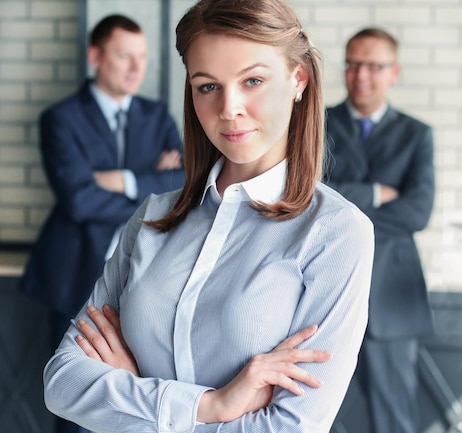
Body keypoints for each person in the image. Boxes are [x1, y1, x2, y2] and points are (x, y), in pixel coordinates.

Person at [42, 0, 375, 432]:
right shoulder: (152, 219)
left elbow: (291, 427)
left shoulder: (336, 232)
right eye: (207, 86)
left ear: (299, 79)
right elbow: (63, 383)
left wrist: (132, 391)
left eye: (252, 80)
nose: (229, 108)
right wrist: (211, 406)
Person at [20, 14, 185, 433]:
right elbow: (77, 200)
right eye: (124, 56)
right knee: (75, 404)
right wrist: (149, 183)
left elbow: (183, 182)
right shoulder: (61, 118)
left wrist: (121, 180)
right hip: (75, 276)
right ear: (96, 56)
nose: (136, 68)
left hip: (144, 281)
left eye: (142, 57)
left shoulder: (157, 115)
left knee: (134, 400)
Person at [324, 28, 435, 433]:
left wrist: (343, 210)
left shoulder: (416, 134)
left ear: (394, 72)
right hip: (325, 290)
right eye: (353, 64)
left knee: (395, 418)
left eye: (373, 65)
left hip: (393, 294)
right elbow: (306, 194)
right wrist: (376, 192)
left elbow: (417, 212)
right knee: (320, 417)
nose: (361, 74)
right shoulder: (316, 124)